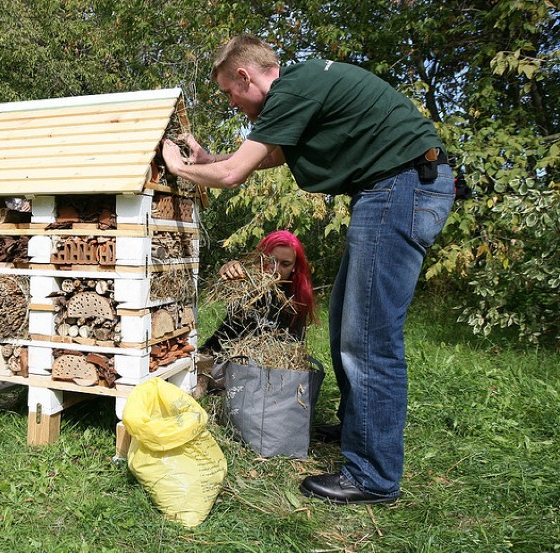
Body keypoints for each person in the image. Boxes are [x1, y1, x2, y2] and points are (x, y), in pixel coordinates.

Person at [162, 35, 455, 505]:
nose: (232, 104)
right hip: (395, 189)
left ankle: (372, 475)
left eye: (229, 94)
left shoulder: (292, 89)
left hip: (399, 189)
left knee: (369, 339)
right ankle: (357, 433)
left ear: (245, 75)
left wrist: (178, 168)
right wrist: (208, 160)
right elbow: (266, 157)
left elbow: (235, 173)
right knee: (347, 326)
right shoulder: (300, 89)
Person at [196, 230, 316, 395]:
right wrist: (230, 269)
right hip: (224, 359)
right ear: (262, 258)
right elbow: (231, 278)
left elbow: (293, 350)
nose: (275, 269)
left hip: (266, 369)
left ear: (294, 267)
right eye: (271, 261)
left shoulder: (296, 301)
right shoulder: (248, 285)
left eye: (285, 264)